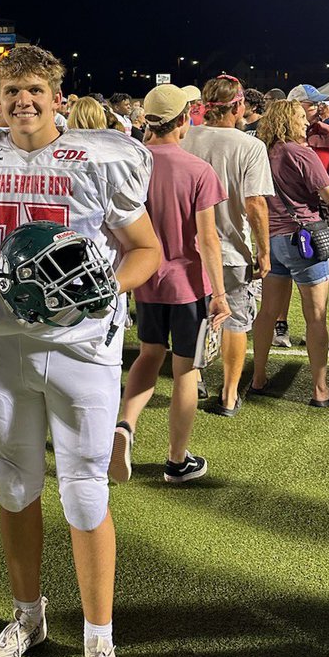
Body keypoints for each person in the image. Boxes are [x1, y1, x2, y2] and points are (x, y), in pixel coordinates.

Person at [0, 45, 160, 657]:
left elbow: (147, 250)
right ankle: (27, 617)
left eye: (36, 88)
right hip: (4, 345)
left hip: (82, 352)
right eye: (12, 90)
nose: (24, 100)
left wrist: (105, 288)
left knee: (84, 495)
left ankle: (100, 642)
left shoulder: (98, 157)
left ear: (58, 95)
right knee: (13, 487)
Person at [112, 84, 230, 484]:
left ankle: (125, 425)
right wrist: (220, 293)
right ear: (184, 120)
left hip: (144, 280)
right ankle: (177, 460)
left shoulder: (135, 164)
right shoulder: (197, 169)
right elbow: (207, 239)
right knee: (185, 373)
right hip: (187, 285)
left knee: (147, 355)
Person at [183, 76, 273, 414]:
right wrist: (263, 252)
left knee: (192, 317)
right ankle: (229, 394)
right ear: (238, 106)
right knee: (235, 321)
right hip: (230, 250)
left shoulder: (185, 138)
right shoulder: (250, 146)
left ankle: (195, 381)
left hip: (187, 249)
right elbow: (255, 205)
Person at [248, 99, 329, 406]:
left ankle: (258, 377)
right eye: (301, 117)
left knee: (267, 312)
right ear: (289, 121)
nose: (305, 122)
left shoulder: (261, 151)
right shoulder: (301, 152)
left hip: (271, 239)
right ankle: (320, 390)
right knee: (316, 317)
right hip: (304, 238)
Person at [273, 85, 329, 348]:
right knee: (285, 279)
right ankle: (282, 326)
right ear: (293, 108)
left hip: (320, 215)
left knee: (322, 277)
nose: (316, 109)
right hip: (292, 217)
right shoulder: (284, 141)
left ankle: (313, 332)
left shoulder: (327, 131)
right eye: (310, 105)